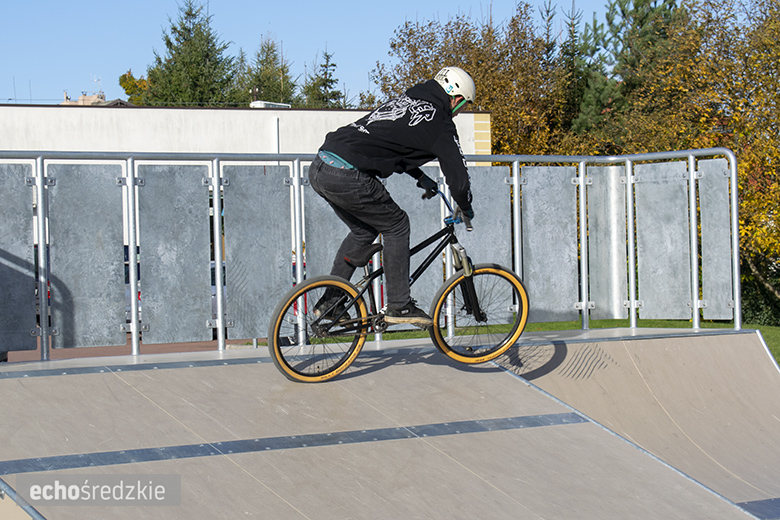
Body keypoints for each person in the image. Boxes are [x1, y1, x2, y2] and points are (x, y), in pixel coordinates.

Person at [309, 66, 476, 328]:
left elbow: (390, 142)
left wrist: (419, 177)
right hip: (348, 175)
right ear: (455, 97)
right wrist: (465, 205)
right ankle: (399, 305)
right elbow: (458, 176)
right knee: (397, 225)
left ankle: (331, 302)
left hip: (321, 166)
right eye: (464, 105)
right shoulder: (442, 126)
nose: (460, 111)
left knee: (363, 232)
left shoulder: (406, 99)